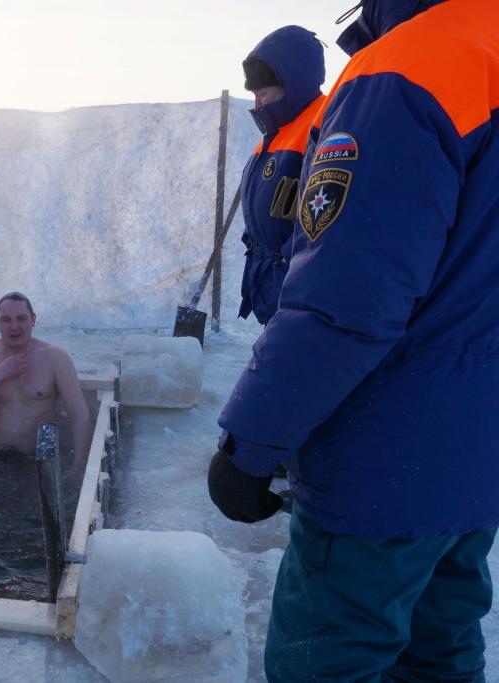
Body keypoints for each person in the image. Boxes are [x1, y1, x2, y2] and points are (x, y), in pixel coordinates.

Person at [208, 0, 499, 680]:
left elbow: (344, 301)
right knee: (439, 653)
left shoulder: (412, 67)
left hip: (384, 459)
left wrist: (251, 444)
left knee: (326, 659)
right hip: (476, 462)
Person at [237, 25, 325, 326]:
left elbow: (325, 220)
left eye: (263, 93)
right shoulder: (274, 135)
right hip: (275, 290)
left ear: (292, 83)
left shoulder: (324, 125)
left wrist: (286, 261)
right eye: (254, 94)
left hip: (303, 295)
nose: (257, 104)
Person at [0, 292, 90, 462]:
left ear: (33, 319)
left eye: (21, 319)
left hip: (37, 461)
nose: (14, 327)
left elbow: (80, 416)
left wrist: (79, 465)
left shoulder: (55, 358)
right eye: (6, 319)